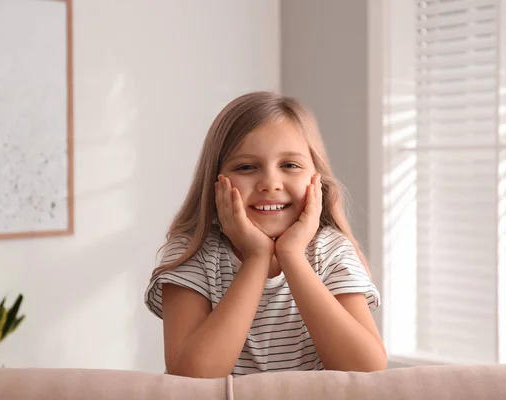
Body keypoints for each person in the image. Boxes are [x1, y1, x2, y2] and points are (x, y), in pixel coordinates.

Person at [144, 91, 387, 378]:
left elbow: (366, 368)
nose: (270, 183)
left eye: (290, 165)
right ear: (215, 181)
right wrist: (256, 258)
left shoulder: (331, 251)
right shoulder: (193, 252)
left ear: (316, 180)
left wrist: (292, 256)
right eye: (246, 167)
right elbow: (192, 376)